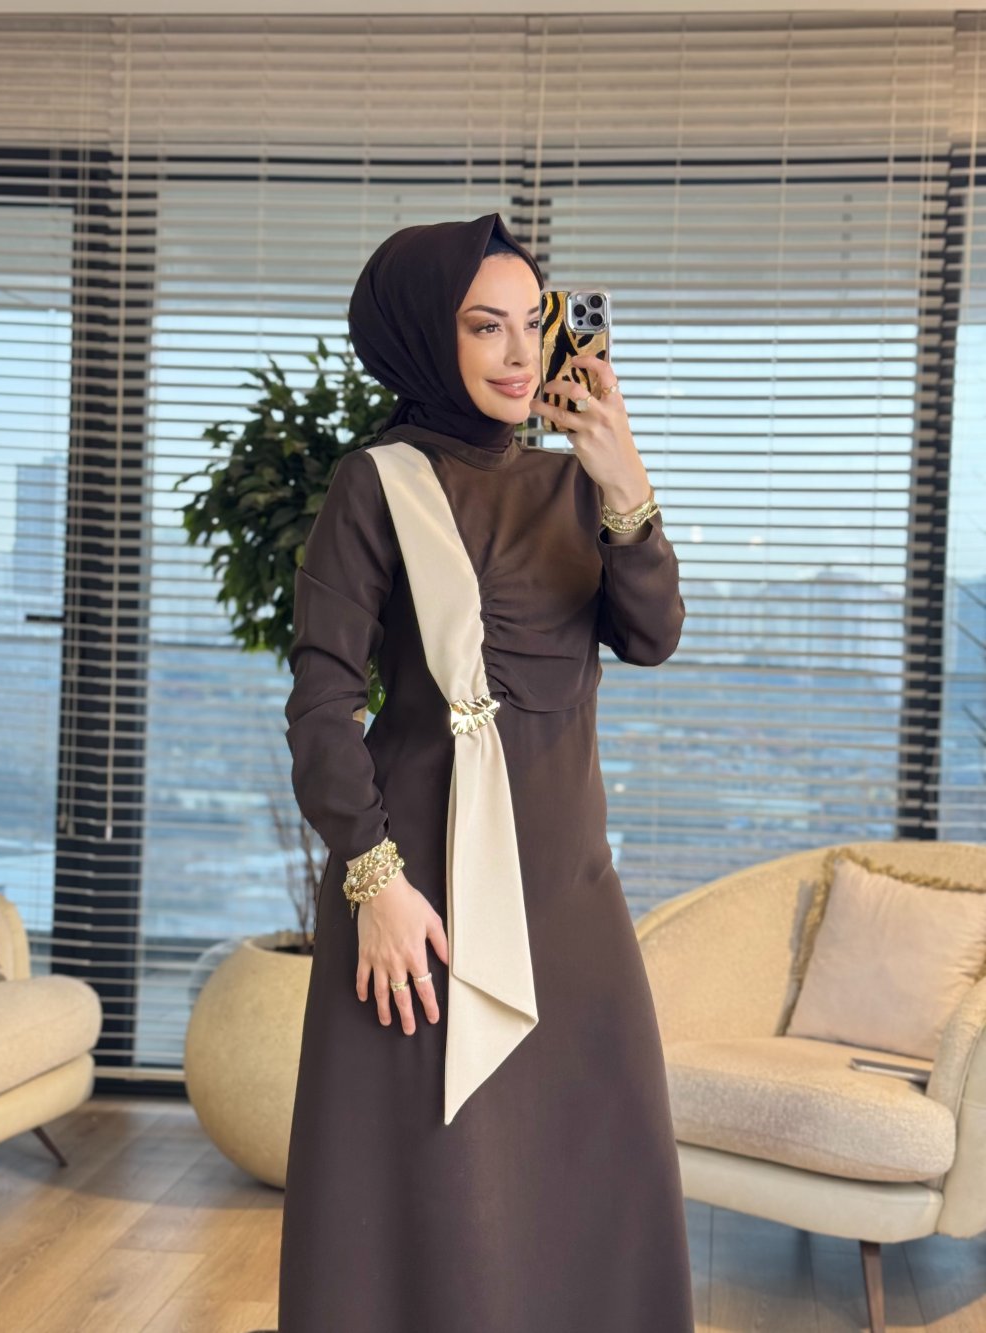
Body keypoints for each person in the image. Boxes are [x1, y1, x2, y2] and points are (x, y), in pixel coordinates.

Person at [277, 211, 694, 1332]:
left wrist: (622, 478)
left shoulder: (577, 489)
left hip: (570, 897)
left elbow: (652, 636)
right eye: (484, 326)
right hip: (420, 901)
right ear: (428, 333)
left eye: (530, 322)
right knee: (436, 1189)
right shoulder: (377, 484)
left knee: (590, 1180)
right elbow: (321, 703)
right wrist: (374, 882)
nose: (519, 354)